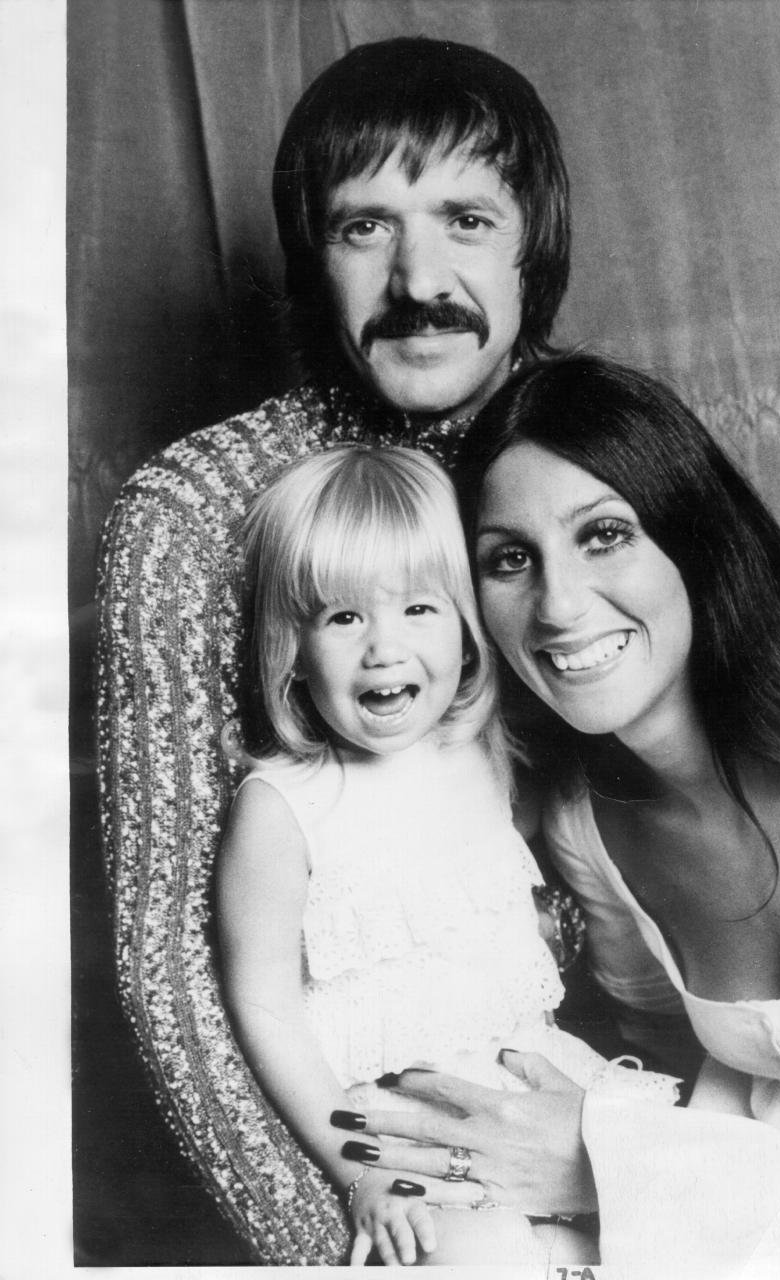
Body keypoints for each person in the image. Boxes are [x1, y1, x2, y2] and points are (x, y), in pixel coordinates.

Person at [336, 356, 780, 1275]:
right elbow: (657, 1063)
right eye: (509, 560)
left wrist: (604, 1163)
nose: (560, 607)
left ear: (698, 541)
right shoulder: (587, 828)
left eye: (605, 535)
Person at [95, 37, 575, 1262]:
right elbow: (181, 980)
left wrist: (626, 1165)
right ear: (312, 263)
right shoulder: (196, 509)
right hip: (386, 1185)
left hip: (588, 1103)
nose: (419, 276)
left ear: (535, 241)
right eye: (365, 228)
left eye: (465, 217)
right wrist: (353, 1244)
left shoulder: (587, 460)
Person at [219, 445, 664, 1265]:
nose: (384, 649)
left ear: (466, 629)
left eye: (419, 609)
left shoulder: (484, 752)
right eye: (344, 617)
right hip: (411, 1133)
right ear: (293, 649)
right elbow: (269, 1011)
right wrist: (362, 1175)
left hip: (538, 1085)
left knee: (664, 1228)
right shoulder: (285, 806)